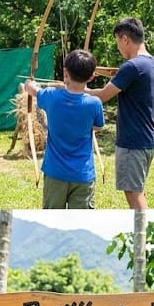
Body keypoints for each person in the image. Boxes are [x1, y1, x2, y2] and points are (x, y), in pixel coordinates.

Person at [86, 17, 154, 209]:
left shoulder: (132, 66)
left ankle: (145, 235)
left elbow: (102, 96)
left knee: (133, 195)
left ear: (125, 39)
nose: (118, 47)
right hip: (146, 137)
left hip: (133, 141)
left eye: (118, 41)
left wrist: (76, 88)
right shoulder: (152, 63)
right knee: (137, 191)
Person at [23, 49, 105, 209]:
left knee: (52, 222)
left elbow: (33, 90)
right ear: (92, 76)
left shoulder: (51, 96)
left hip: (55, 173)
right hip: (83, 175)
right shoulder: (95, 103)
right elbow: (98, 127)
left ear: (65, 72)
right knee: (80, 224)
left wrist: (29, 84)